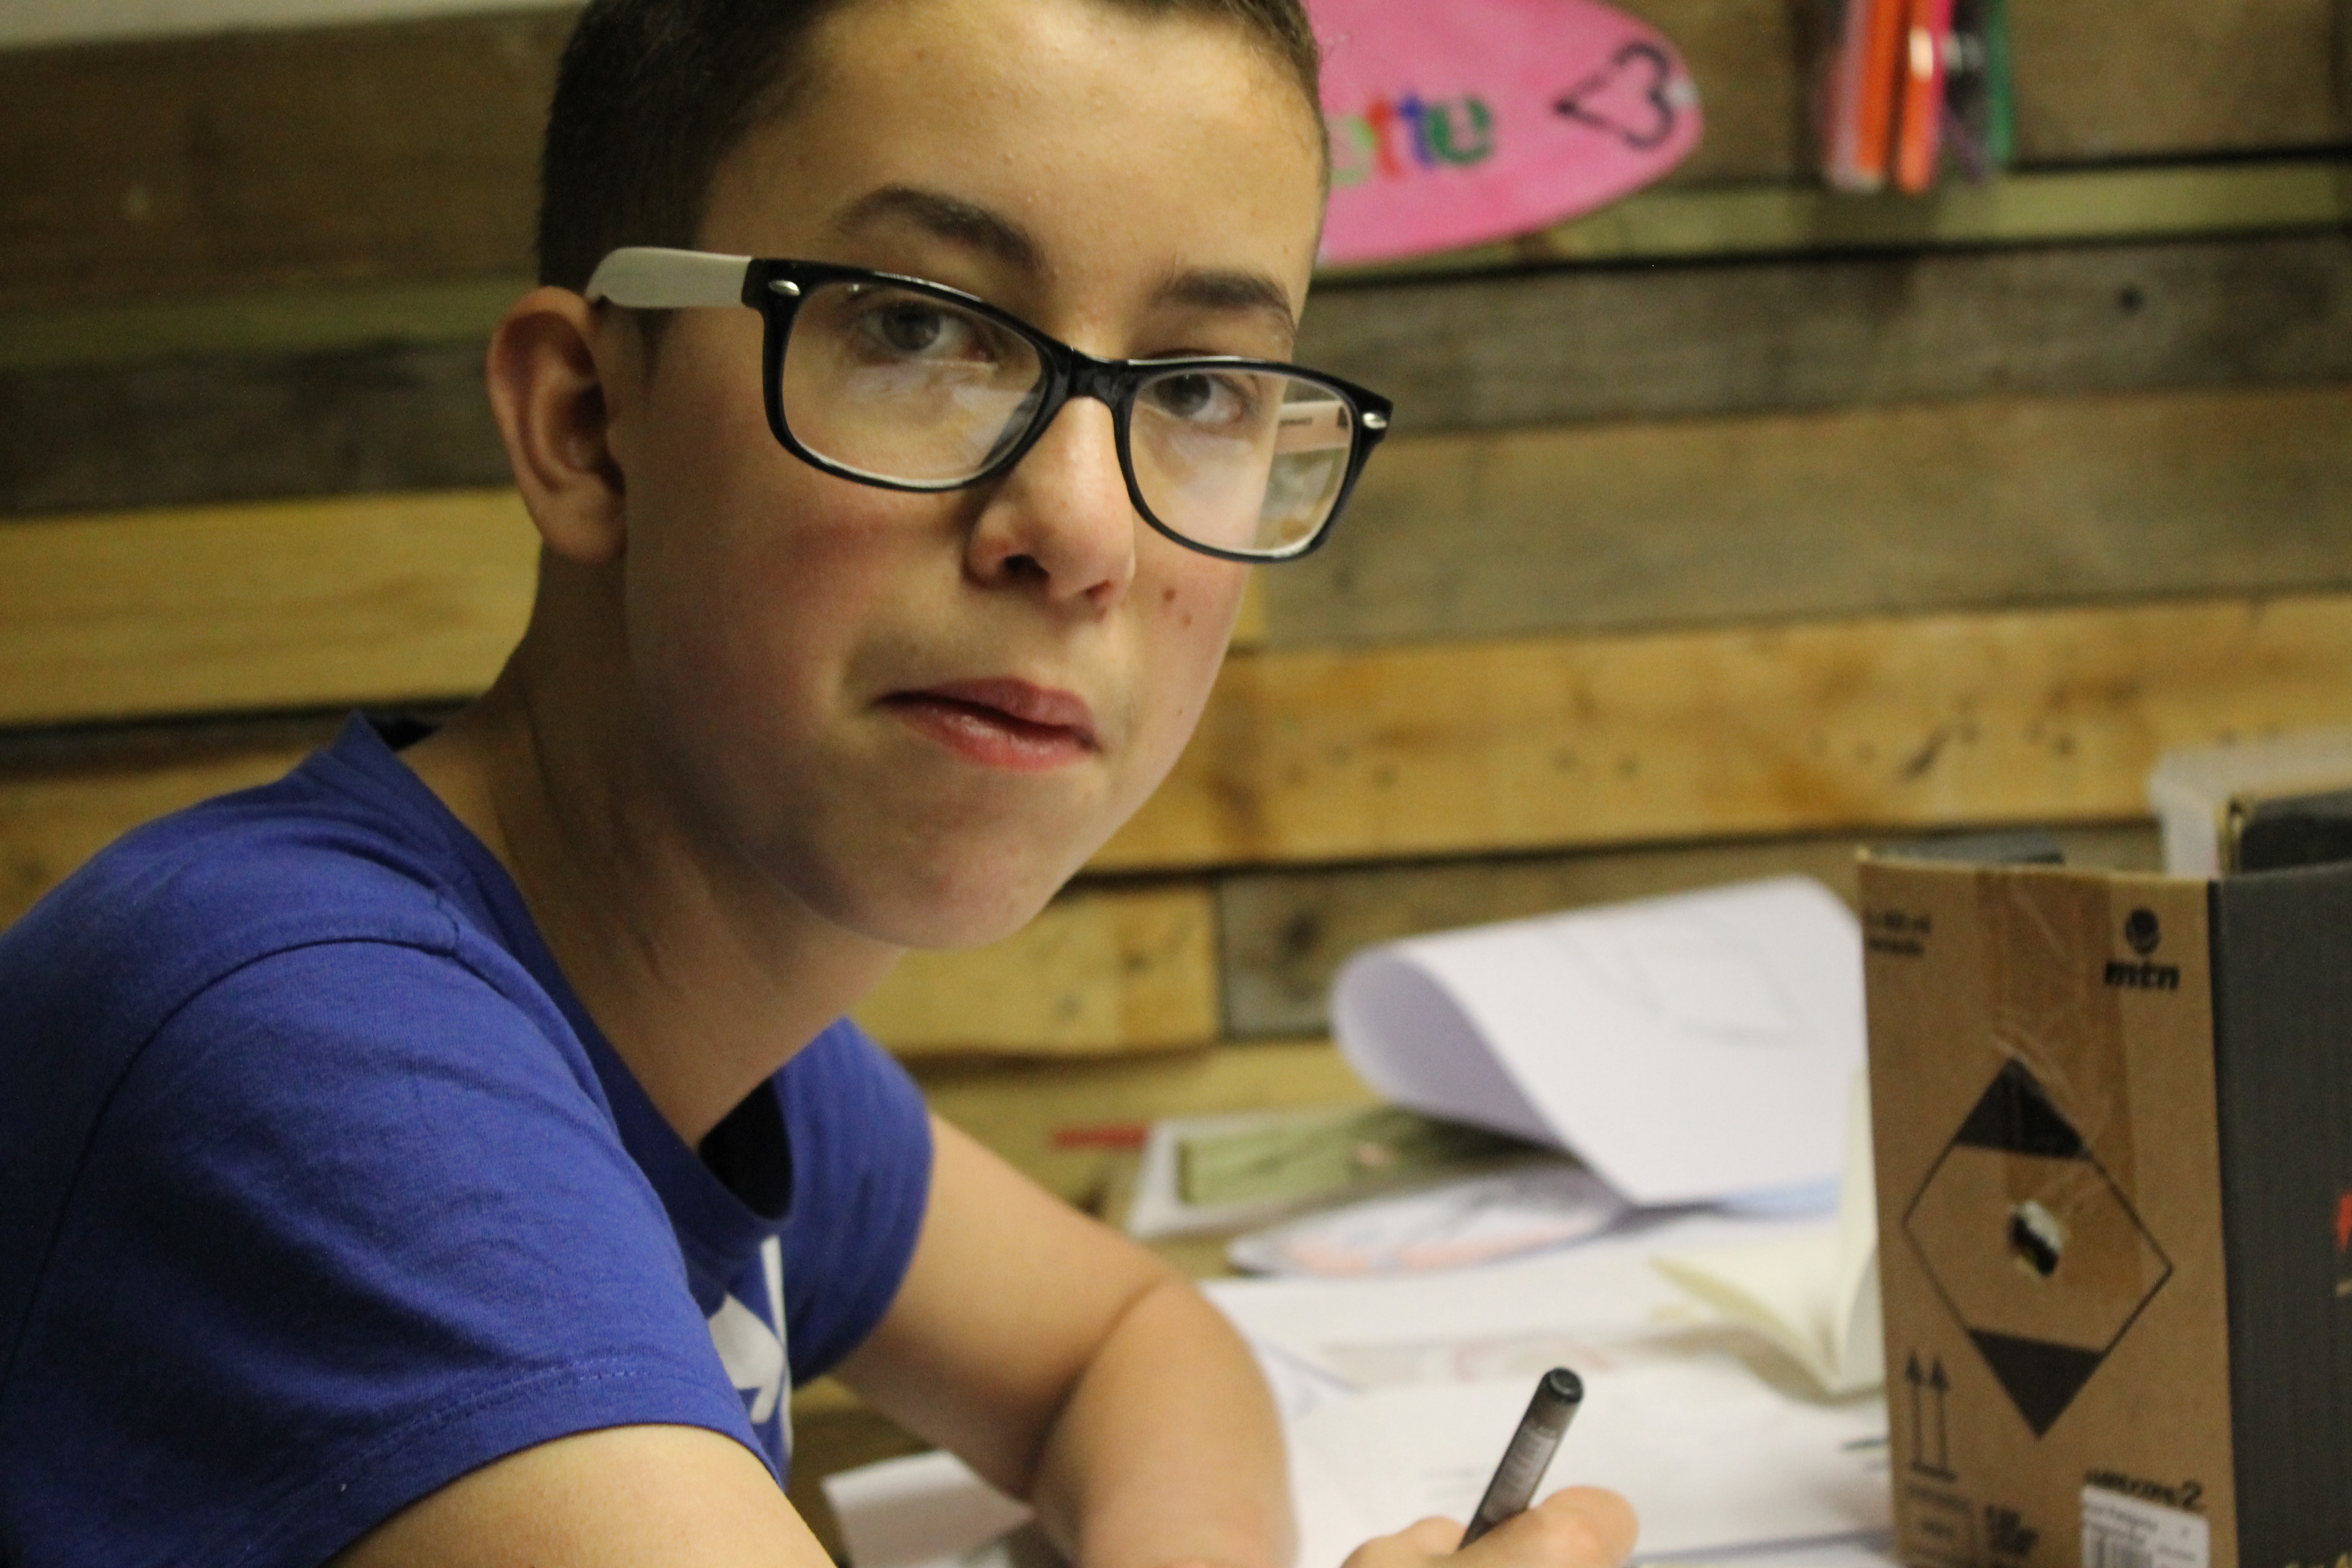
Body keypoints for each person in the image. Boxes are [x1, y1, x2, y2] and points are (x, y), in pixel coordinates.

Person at [0, 2, 1640, 1565]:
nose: (1084, 529)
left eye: (1201, 387)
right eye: (919, 329)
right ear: (587, 422)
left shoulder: (698, 1030)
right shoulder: (315, 1044)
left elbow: (1128, 1342)